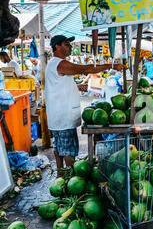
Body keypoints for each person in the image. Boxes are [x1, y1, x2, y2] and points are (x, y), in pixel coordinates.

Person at [45, 35, 124, 175]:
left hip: (57, 115)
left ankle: (60, 174)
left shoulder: (53, 63)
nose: (70, 47)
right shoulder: (60, 63)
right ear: (57, 46)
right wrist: (111, 66)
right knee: (68, 150)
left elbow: (57, 86)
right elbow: (86, 68)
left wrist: (76, 86)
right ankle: (69, 178)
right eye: (66, 44)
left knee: (59, 147)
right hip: (63, 116)